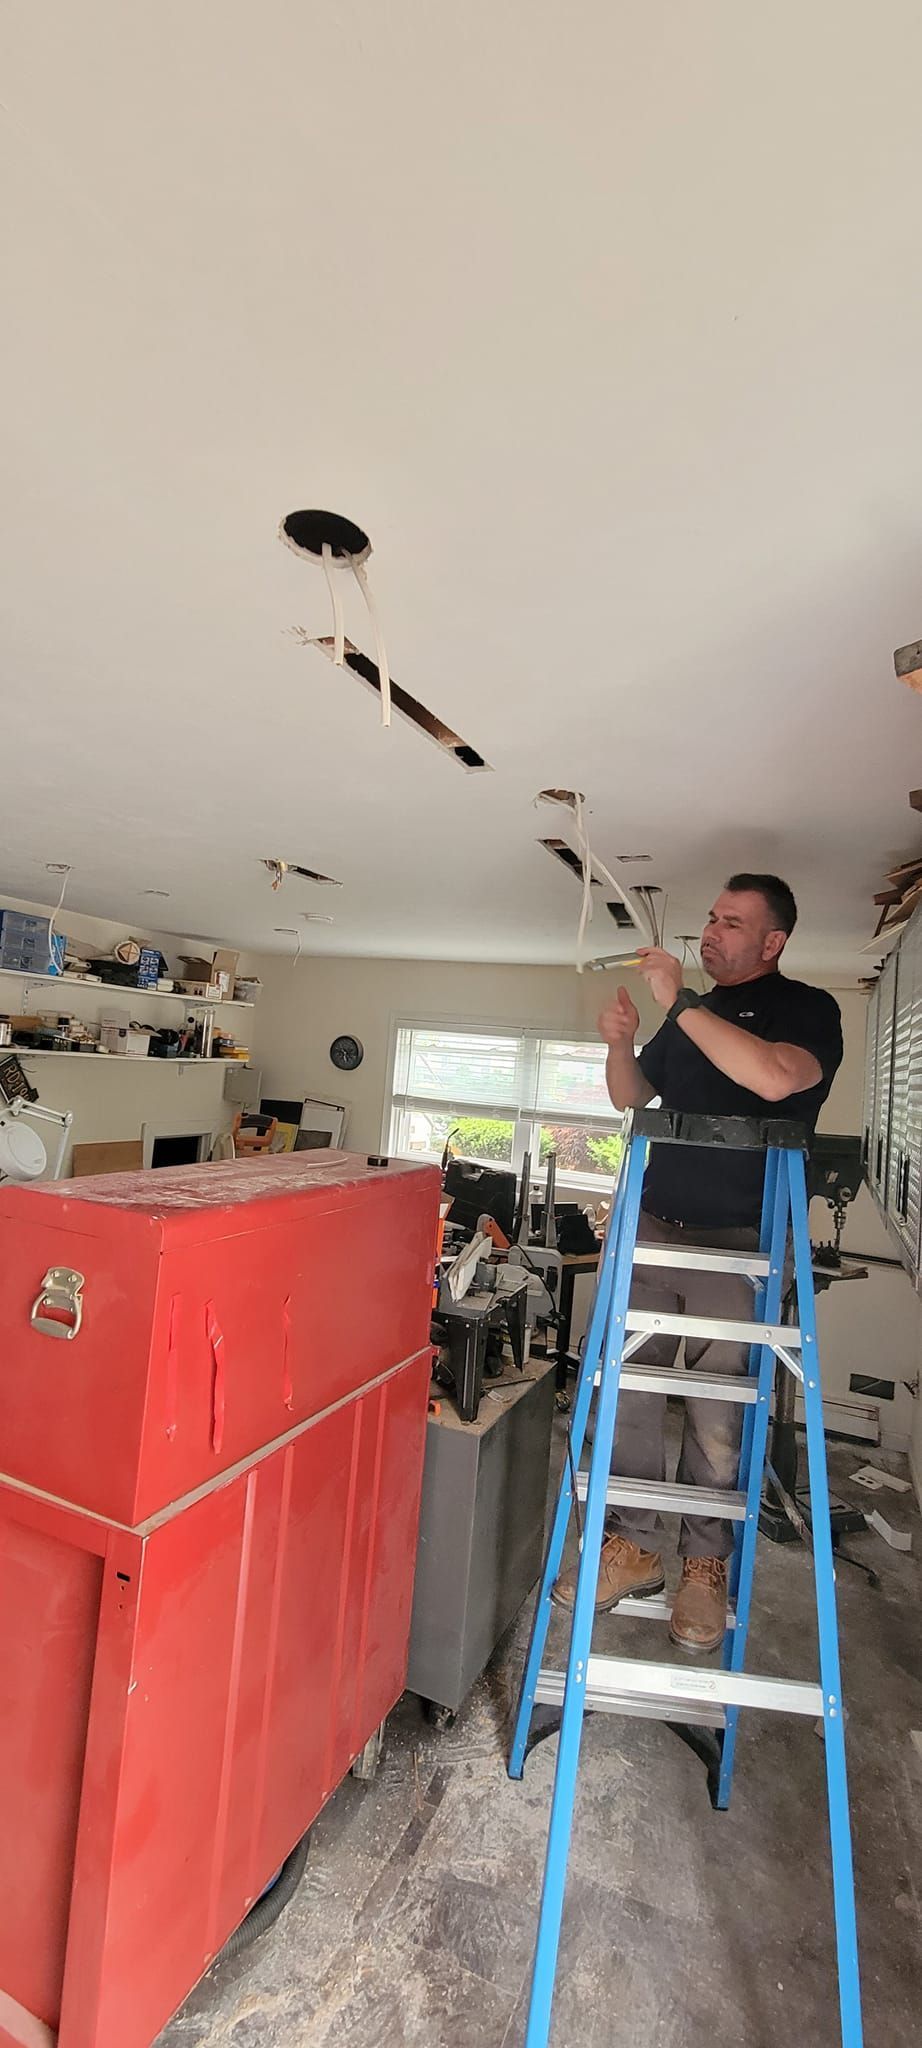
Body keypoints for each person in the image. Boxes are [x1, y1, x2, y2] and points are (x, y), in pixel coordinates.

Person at [553, 873, 843, 1652]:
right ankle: (632, 1547)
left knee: (718, 1416)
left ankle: (703, 1569)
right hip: (653, 1226)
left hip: (740, 1246)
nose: (711, 931)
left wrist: (680, 1003)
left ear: (773, 942)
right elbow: (633, 1098)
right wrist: (619, 1043)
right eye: (710, 917)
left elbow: (774, 1077)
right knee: (634, 1400)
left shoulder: (807, 1011)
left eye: (732, 922)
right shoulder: (693, 1019)